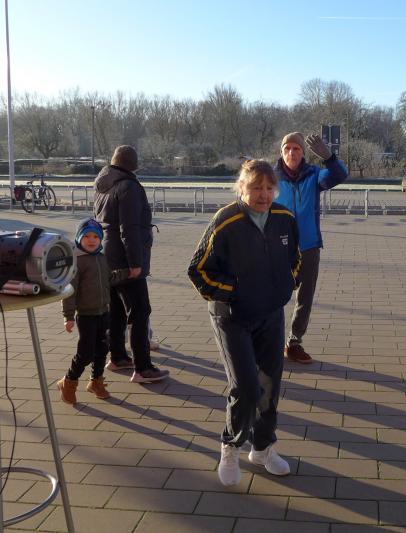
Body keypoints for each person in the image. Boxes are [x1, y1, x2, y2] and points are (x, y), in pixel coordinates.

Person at [188, 159, 300, 486]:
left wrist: (284, 286)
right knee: (247, 388)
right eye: (256, 188)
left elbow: (295, 259)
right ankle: (231, 444)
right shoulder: (226, 221)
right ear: (242, 188)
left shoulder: (284, 218)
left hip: (271, 314)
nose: (263, 194)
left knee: (270, 386)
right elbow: (198, 270)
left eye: (269, 188)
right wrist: (235, 292)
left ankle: (262, 447)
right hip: (232, 317)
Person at [94, 145, 169, 383]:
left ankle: (117, 357)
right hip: (126, 258)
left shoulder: (104, 184)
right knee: (140, 311)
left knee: (116, 309)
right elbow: (129, 228)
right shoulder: (129, 186)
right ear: (133, 165)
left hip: (107, 254)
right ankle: (143, 368)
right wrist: (135, 262)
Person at [275, 132, 348, 364]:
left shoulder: (314, 175)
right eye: (287, 148)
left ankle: (294, 342)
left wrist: (329, 158)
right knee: (273, 295)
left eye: (296, 149)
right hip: (277, 247)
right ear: (281, 152)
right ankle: (270, 342)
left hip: (308, 246)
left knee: (305, 298)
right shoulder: (272, 177)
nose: (291, 152)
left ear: (303, 153)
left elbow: (339, 175)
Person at [57, 218, 114, 404]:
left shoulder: (102, 258)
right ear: (79, 238)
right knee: (85, 353)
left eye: (95, 237)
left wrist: (126, 274)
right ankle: (68, 382)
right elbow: (69, 291)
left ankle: (96, 381)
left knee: (102, 349)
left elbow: (108, 279)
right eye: (87, 236)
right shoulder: (77, 261)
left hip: (103, 312)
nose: (91, 240)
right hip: (86, 315)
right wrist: (68, 316)